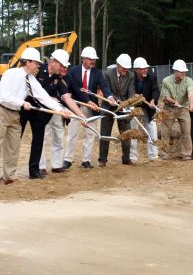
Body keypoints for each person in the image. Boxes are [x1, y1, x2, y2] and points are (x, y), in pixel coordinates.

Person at [0, 48, 69, 184]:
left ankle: (9, 176)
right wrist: (21, 102)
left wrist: (60, 110)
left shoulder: (30, 79)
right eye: (36, 63)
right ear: (28, 62)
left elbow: (43, 97)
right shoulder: (11, 73)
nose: (38, 66)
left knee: (13, 148)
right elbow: (2, 96)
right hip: (2, 112)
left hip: (15, 116)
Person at [20, 49, 85, 179]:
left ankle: (34, 171)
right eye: (61, 65)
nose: (63, 68)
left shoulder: (59, 79)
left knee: (38, 140)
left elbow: (67, 98)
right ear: (54, 62)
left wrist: (80, 115)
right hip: (25, 108)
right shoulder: (37, 69)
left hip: (41, 113)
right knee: (15, 138)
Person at [63, 46, 116, 169]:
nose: (93, 61)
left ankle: (86, 160)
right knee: (73, 133)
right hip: (75, 105)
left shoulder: (97, 73)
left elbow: (104, 86)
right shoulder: (73, 71)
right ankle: (67, 159)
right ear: (83, 59)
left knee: (90, 134)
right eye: (90, 59)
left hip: (92, 107)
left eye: (94, 59)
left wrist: (110, 97)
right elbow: (72, 88)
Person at [98, 53, 135, 167]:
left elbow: (131, 91)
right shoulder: (107, 74)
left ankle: (126, 158)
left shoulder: (130, 76)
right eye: (124, 68)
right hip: (108, 106)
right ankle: (103, 159)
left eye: (127, 68)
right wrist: (113, 99)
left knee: (126, 132)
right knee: (105, 133)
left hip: (123, 107)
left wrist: (130, 104)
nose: (126, 70)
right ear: (117, 65)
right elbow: (106, 90)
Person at [161, 59, 193, 161]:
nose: (184, 73)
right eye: (181, 71)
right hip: (169, 108)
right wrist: (174, 102)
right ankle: (164, 154)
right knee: (165, 132)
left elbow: (190, 93)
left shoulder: (189, 81)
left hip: (183, 109)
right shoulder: (166, 81)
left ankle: (187, 154)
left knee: (186, 132)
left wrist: (191, 105)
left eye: (185, 71)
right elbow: (166, 96)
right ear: (175, 71)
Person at [130, 57, 160, 162]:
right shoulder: (131, 77)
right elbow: (129, 91)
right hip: (135, 107)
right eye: (142, 69)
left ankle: (153, 156)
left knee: (152, 129)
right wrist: (134, 97)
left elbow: (156, 90)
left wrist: (153, 100)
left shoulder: (151, 77)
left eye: (146, 68)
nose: (145, 70)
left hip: (148, 108)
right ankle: (132, 156)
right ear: (136, 70)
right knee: (133, 130)